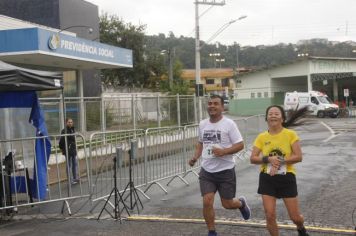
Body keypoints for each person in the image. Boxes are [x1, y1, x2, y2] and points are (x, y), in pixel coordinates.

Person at [189, 94, 251, 236]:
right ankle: (212, 231)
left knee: (227, 204)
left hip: (225, 170)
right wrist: (195, 157)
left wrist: (224, 151)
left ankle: (241, 203)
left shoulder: (229, 124)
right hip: (207, 171)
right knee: (207, 201)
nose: (212, 106)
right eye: (210, 103)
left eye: (216, 103)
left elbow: (240, 144)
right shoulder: (203, 124)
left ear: (222, 107)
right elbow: (200, 143)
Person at [250, 105, 309, 236]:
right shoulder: (261, 137)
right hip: (267, 178)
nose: (273, 115)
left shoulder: (290, 134)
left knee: (295, 217)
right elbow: (253, 158)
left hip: (286, 177)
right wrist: (268, 159)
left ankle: (300, 227)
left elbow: (298, 156)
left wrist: (279, 161)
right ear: (266, 118)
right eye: (270, 114)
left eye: (276, 113)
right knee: (269, 215)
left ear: (282, 118)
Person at [59, 118, 78, 184]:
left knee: (74, 164)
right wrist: (61, 149)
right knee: (69, 165)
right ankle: (70, 180)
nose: (70, 123)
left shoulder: (73, 130)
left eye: (71, 122)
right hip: (67, 150)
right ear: (66, 123)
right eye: (69, 122)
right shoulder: (64, 131)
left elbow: (73, 140)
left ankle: (75, 178)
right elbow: (61, 141)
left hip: (73, 150)